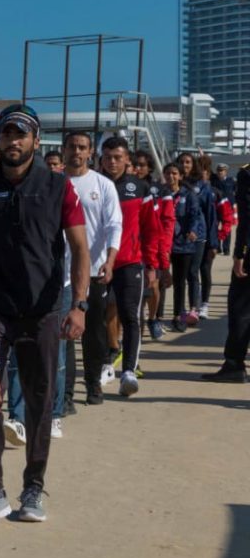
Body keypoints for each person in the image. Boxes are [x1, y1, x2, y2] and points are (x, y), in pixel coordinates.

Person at [0, 104, 90, 529]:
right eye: (6, 133)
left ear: (36, 140)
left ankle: (33, 486)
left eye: (21, 134)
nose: (12, 141)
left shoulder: (57, 187)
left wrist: (79, 304)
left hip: (44, 309)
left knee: (39, 399)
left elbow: (80, 248)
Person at [63, 131, 121, 407]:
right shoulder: (53, 182)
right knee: (64, 334)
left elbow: (114, 225)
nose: (77, 151)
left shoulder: (103, 185)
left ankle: (93, 384)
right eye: (72, 146)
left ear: (90, 153)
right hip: (61, 273)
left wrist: (110, 261)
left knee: (94, 333)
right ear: (64, 150)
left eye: (82, 147)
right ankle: (65, 394)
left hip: (94, 271)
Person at [97, 136, 151, 398]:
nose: (113, 162)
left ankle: (128, 371)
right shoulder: (93, 183)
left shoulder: (139, 188)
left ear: (127, 159)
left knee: (130, 316)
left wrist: (154, 264)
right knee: (97, 318)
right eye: (108, 157)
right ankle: (104, 364)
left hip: (130, 262)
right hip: (97, 264)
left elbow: (150, 229)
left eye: (118, 157)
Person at [204, 162, 250, 383]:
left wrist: (240, 253)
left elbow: (247, 219)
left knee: (241, 309)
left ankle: (234, 364)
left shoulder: (247, 174)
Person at [136, 151, 174, 340]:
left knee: (153, 286)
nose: (138, 168)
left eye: (142, 165)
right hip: (132, 245)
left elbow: (167, 222)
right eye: (135, 164)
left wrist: (164, 249)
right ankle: (137, 325)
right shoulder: (125, 187)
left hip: (155, 245)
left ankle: (152, 319)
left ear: (150, 167)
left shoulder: (160, 190)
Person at [166, 162, 205, 332]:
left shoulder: (188, 195)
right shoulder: (160, 193)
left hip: (182, 244)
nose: (171, 176)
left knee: (180, 281)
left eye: (174, 173)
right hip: (163, 243)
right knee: (161, 281)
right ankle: (156, 317)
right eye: (168, 173)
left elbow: (194, 215)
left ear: (180, 176)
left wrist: (192, 230)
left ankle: (179, 315)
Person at [194, 153, 220, 318]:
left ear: (209, 173)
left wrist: (214, 243)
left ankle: (204, 304)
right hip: (192, 238)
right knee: (192, 273)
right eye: (200, 170)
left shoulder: (212, 191)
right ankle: (195, 304)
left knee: (205, 270)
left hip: (207, 237)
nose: (202, 173)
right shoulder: (191, 188)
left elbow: (213, 219)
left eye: (205, 170)